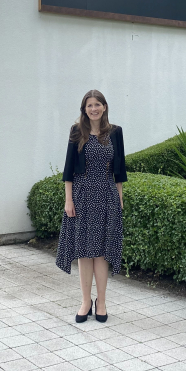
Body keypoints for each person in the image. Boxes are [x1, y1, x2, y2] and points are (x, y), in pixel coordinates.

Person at [56, 90, 127, 323]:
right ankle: (85, 302)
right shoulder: (77, 131)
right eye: (89, 105)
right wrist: (68, 200)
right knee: (84, 252)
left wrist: (119, 198)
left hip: (106, 194)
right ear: (84, 109)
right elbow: (68, 168)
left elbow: (120, 169)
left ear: (104, 107)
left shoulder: (115, 132)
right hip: (82, 194)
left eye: (97, 104)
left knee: (102, 252)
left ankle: (101, 302)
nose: (93, 109)